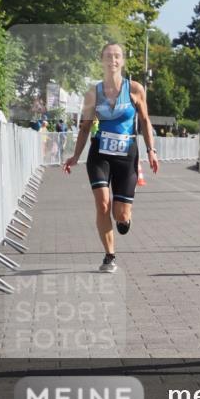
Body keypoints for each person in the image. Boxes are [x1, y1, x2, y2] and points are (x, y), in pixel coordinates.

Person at [63, 43, 159, 273]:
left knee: (121, 215)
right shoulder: (92, 93)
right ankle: (109, 255)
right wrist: (76, 155)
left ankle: (126, 217)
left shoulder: (135, 89)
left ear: (122, 61)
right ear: (102, 61)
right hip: (100, 154)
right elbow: (85, 128)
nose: (112, 60)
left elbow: (145, 121)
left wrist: (151, 151)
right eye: (108, 56)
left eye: (117, 57)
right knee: (102, 203)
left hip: (127, 155)